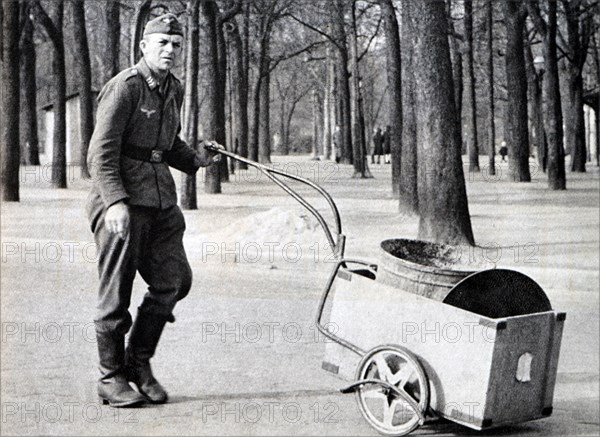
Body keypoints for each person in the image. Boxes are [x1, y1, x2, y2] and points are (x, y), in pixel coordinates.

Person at [86, 13, 221, 408]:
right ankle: (110, 378)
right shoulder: (125, 88)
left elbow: (165, 144)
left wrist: (197, 160)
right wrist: (114, 201)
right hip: (122, 204)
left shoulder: (172, 88)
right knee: (116, 294)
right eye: (162, 42)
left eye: (176, 44)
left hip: (161, 203)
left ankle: (137, 364)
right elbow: (101, 151)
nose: (170, 50)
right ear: (143, 45)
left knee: (174, 281)